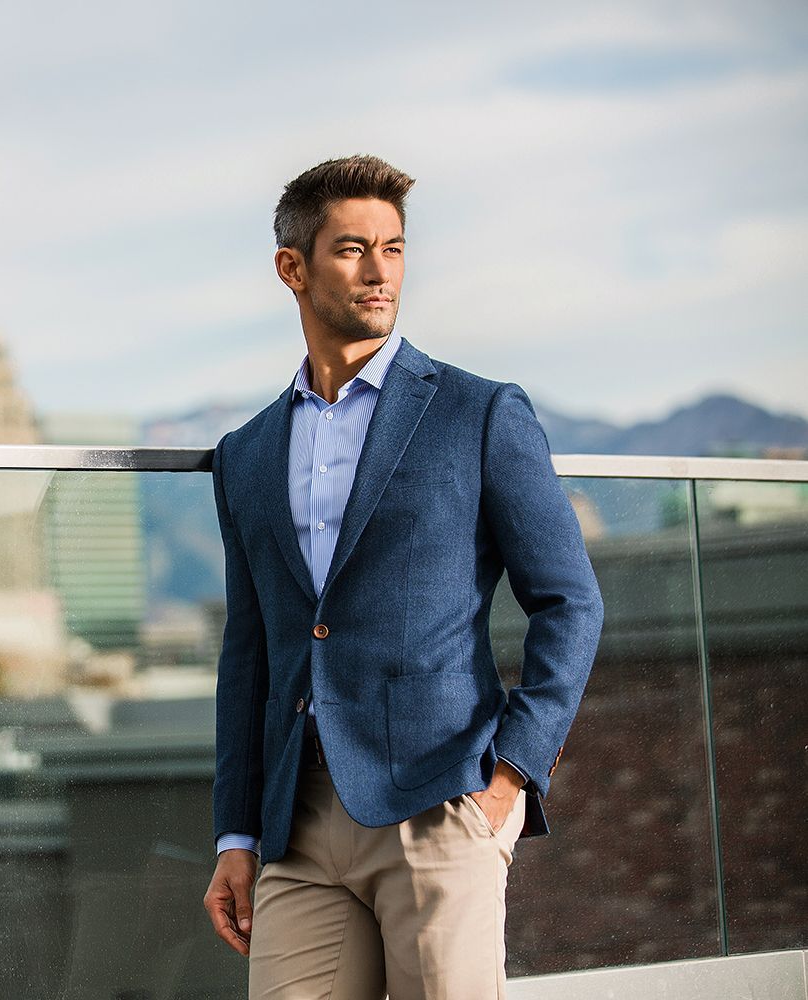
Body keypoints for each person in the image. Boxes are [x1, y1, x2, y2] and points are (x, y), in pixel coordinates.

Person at [200, 155, 604, 999]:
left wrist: (512, 775)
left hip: (442, 799)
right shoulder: (246, 454)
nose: (379, 272)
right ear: (292, 268)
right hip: (298, 824)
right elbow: (250, 653)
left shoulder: (478, 412)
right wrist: (236, 834)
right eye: (352, 249)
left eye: (393, 248)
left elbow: (569, 601)